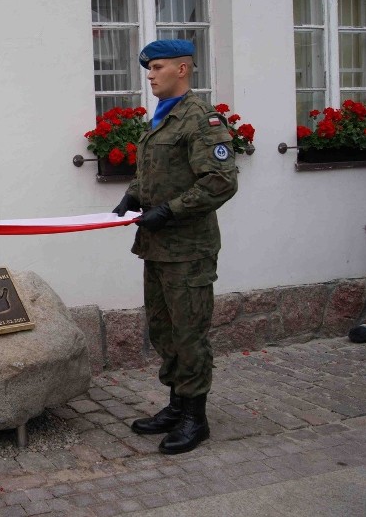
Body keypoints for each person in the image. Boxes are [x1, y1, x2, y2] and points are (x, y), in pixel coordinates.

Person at [113, 39, 238, 455]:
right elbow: (156, 171)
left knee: (189, 334)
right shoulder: (163, 118)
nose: (150, 75)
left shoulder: (203, 120)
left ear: (182, 69)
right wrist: (133, 194)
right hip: (156, 246)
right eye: (149, 68)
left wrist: (169, 210)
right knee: (164, 330)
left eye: (158, 67)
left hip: (188, 248)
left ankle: (195, 418)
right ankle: (176, 404)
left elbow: (220, 181)